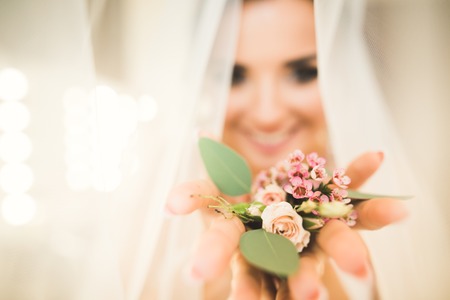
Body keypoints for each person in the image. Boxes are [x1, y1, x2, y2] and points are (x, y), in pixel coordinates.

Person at [157, 0, 438, 299]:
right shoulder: (152, 236)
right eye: (233, 76)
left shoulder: (413, 235)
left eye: (304, 73)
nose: (268, 115)